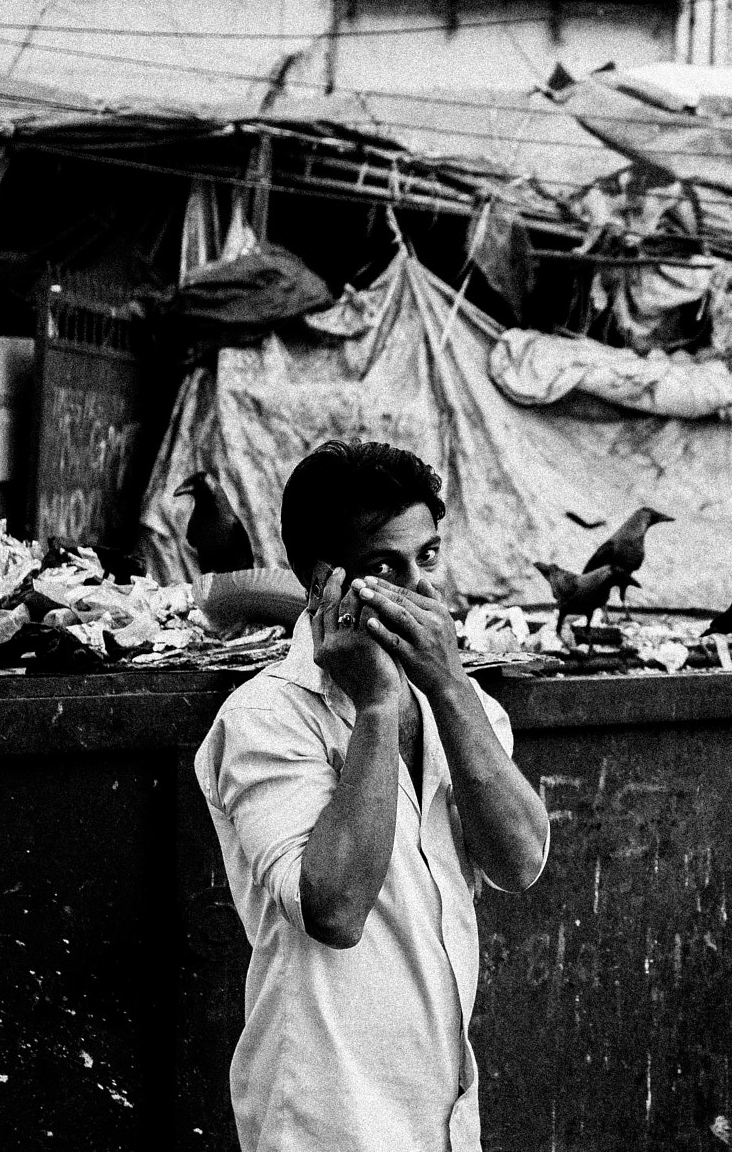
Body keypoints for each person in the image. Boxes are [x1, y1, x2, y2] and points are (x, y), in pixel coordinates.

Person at [194, 440, 550, 1152]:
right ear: (325, 581)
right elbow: (334, 907)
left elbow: (520, 860)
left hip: (440, 1107)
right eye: (388, 566)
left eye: (429, 557)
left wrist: (447, 687)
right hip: (326, 1114)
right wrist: (379, 708)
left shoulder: (461, 702)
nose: (420, 590)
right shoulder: (267, 718)